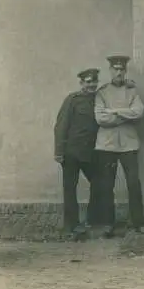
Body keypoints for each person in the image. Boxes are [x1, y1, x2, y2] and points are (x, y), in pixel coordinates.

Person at [94, 55, 144, 238]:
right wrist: (125, 116)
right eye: (115, 69)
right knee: (106, 185)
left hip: (129, 143)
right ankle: (107, 224)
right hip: (107, 144)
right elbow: (100, 118)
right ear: (110, 70)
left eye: (122, 69)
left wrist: (114, 112)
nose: (118, 72)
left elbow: (139, 112)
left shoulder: (132, 91)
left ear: (125, 71)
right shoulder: (101, 92)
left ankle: (138, 222)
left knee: (134, 184)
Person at [54, 68, 100, 240]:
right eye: (88, 82)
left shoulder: (100, 99)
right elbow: (61, 126)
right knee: (70, 189)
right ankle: (70, 226)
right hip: (72, 151)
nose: (91, 85)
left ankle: (92, 221)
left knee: (99, 184)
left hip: (92, 152)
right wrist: (59, 151)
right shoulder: (72, 100)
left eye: (94, 82)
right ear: (81, 83)